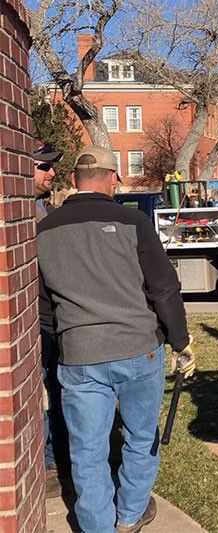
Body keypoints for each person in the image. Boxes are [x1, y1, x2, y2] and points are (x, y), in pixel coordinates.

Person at [36, 146, 196, 533]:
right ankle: (129, 515)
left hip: (79, 354)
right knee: (141, 438)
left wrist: (64, 341)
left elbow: (42, 308)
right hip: (139, 350)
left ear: (74, 180)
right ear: (113, 178)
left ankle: (96, 527)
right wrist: (181, 341)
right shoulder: (133, 221)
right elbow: (164, 288)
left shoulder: (42, 231)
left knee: (86, 449)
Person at [32, 142, 71, 498]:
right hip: (34, 323)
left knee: (58, 389)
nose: (52, 173)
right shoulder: (22, 212)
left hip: (56, 319)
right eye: (44, 167)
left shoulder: (44, 207)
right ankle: (45, 463)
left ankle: (56, 457)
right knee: (40, 393)